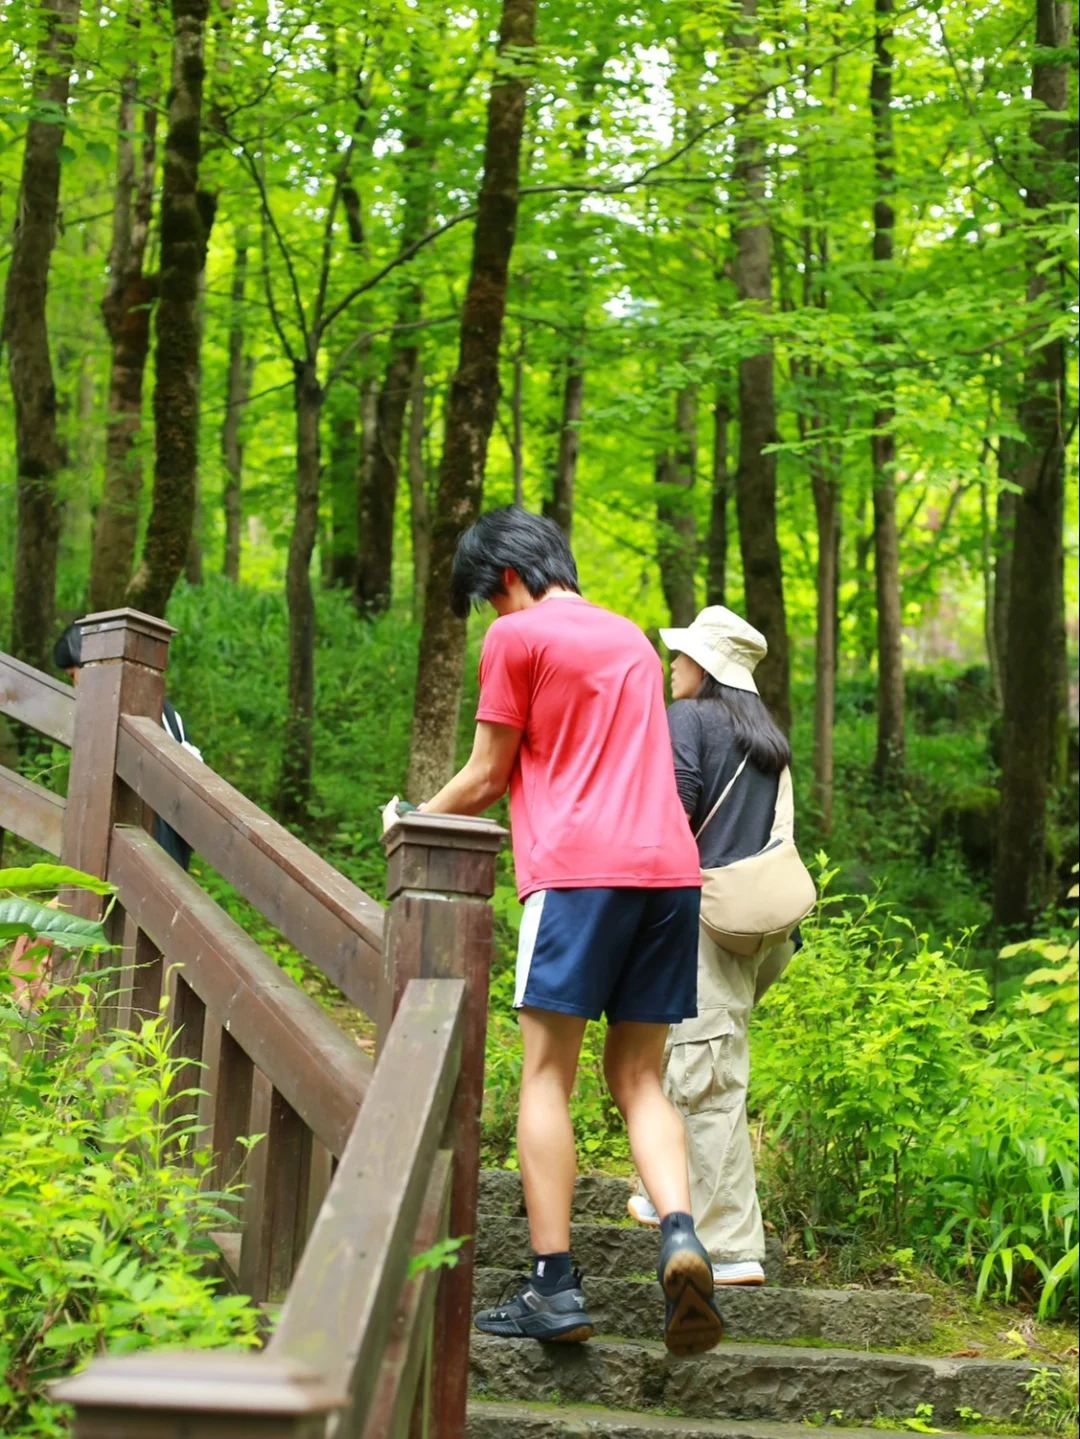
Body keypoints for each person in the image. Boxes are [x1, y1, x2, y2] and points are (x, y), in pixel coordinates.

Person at [383, 507, 723, 1356]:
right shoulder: (631, 642)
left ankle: (553, 1283)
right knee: (641, 1076)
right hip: (670, 873)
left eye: (487, 598)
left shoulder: (519, 635)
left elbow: (489, 773)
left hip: (577, 870)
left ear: (503, 577)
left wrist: (411, 815)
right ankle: (680, 1233)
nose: (491, 617)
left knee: (546, 1073)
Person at [626, 606, 796, 1287]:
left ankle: (728, 1244)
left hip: (700, 920)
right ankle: (663, 1191)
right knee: (688, 1059)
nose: (673, 664)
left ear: (708, 668)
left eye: (683, 656)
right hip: (755, 927)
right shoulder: (768, 742)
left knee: (707, 1079)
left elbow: (674, 811)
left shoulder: (692, 720)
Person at [53, 621, 201, 872]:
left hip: (154, 820)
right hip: (171, 818)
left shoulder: (123, 702)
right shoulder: (157, 703)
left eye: (72, 675)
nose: (75, 685)